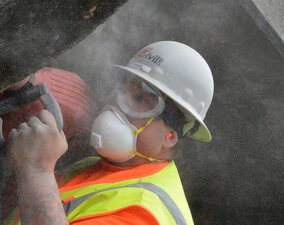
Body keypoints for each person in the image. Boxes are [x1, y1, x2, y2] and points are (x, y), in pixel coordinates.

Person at [2, 41, 214, 225]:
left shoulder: (144, 212)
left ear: (170, 137)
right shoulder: (107, 168)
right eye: (121, 89)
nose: (117, 103)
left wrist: (36, 169)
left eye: (140, 100)